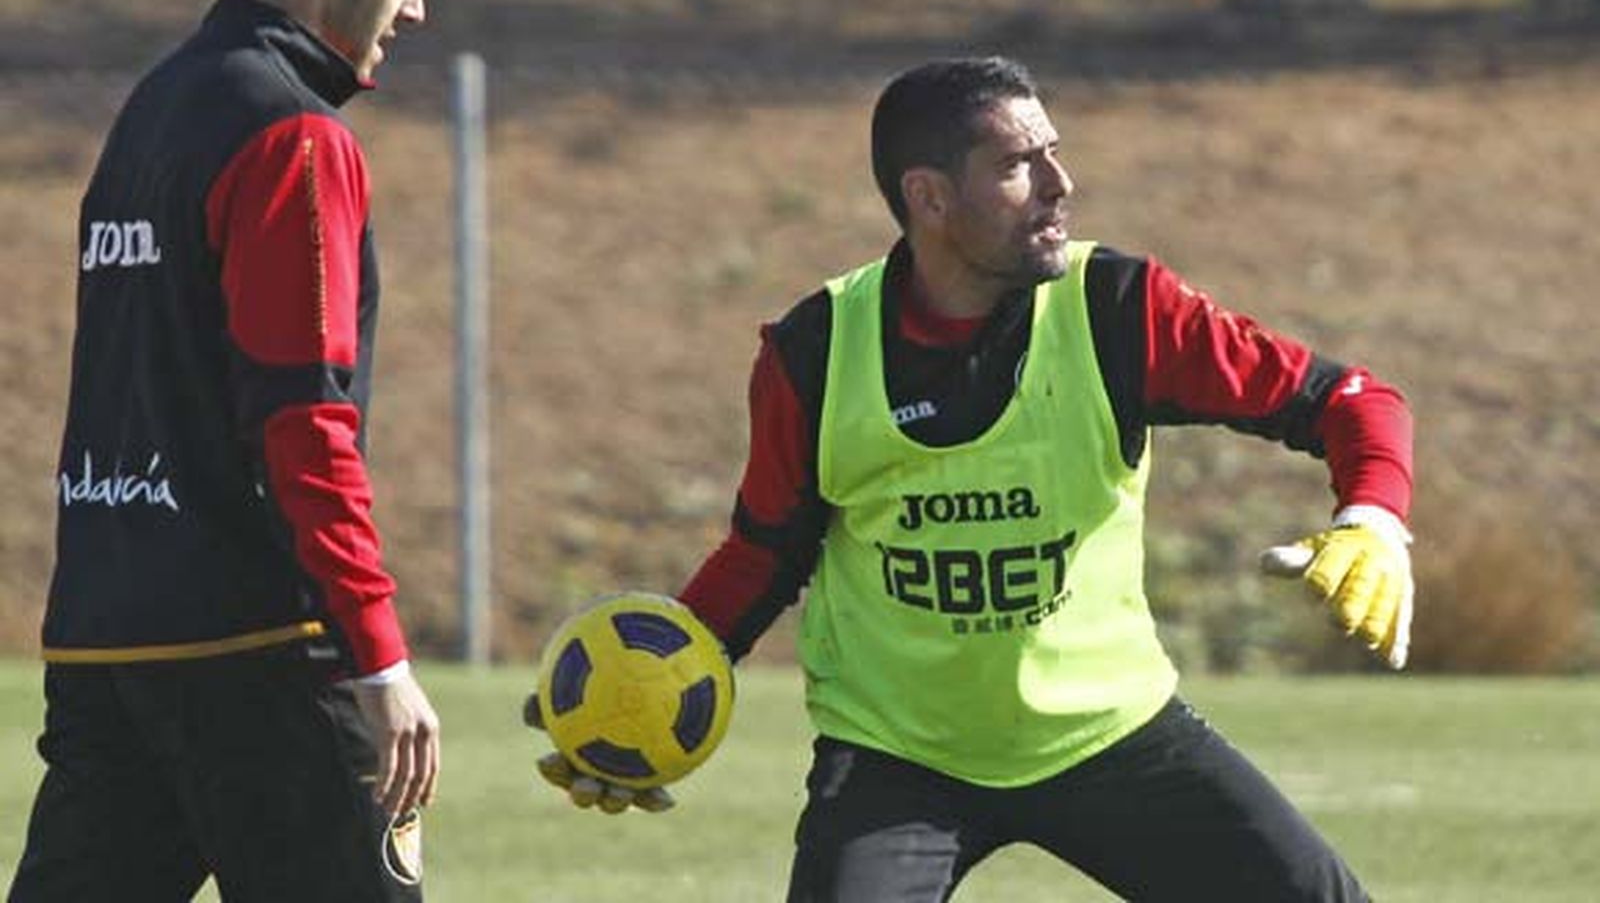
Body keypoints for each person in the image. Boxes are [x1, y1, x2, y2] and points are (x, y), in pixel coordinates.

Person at [536, 57, 1415, 901]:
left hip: (1107, 732)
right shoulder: (815, 349)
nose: (1060, 185)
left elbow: (1351, 400)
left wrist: (1374, 516)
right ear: (930, 196)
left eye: (1054, 154)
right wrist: (648, 684)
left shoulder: (1118, 308)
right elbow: (764, 551)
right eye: (1018, 165)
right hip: (899, 759)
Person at [8, 0, 460, 901]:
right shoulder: (294, 137)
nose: (417, 6)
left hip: (107, 635)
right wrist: (377, 655)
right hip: (255, 643)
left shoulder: (157, 106)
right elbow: (302, 419)